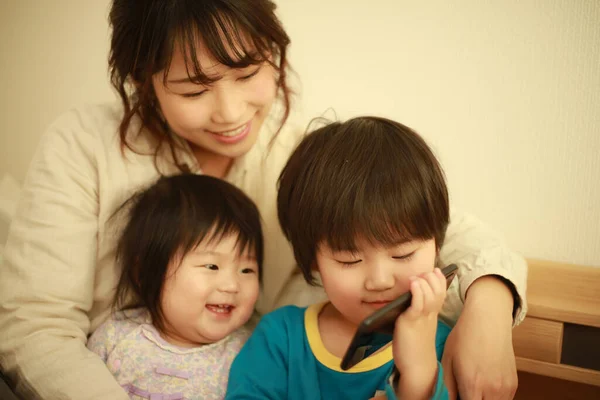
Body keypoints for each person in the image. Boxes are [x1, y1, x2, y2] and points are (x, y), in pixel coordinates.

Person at [0, 1, 526, 399]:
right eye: (192, 90)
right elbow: (35, 327)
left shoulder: (297, 146)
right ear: (142, 82)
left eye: (249, 74)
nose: (230, 113)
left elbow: (436, 231)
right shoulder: (83, 145)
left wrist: (489, 305)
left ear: (274, 52)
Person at [228, 117, 454, 399]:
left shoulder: (446, 343)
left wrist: (419, 367)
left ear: (436, 246)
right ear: (312, 260)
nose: (380, 280)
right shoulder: (281, 337)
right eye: (350, 259)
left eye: (403, 254)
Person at [87, 173, 263, 399]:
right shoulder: (114, 338)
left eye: (247, 270)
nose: (231, 285)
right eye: (211, 266)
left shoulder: (253, 351)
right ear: (147, 272)